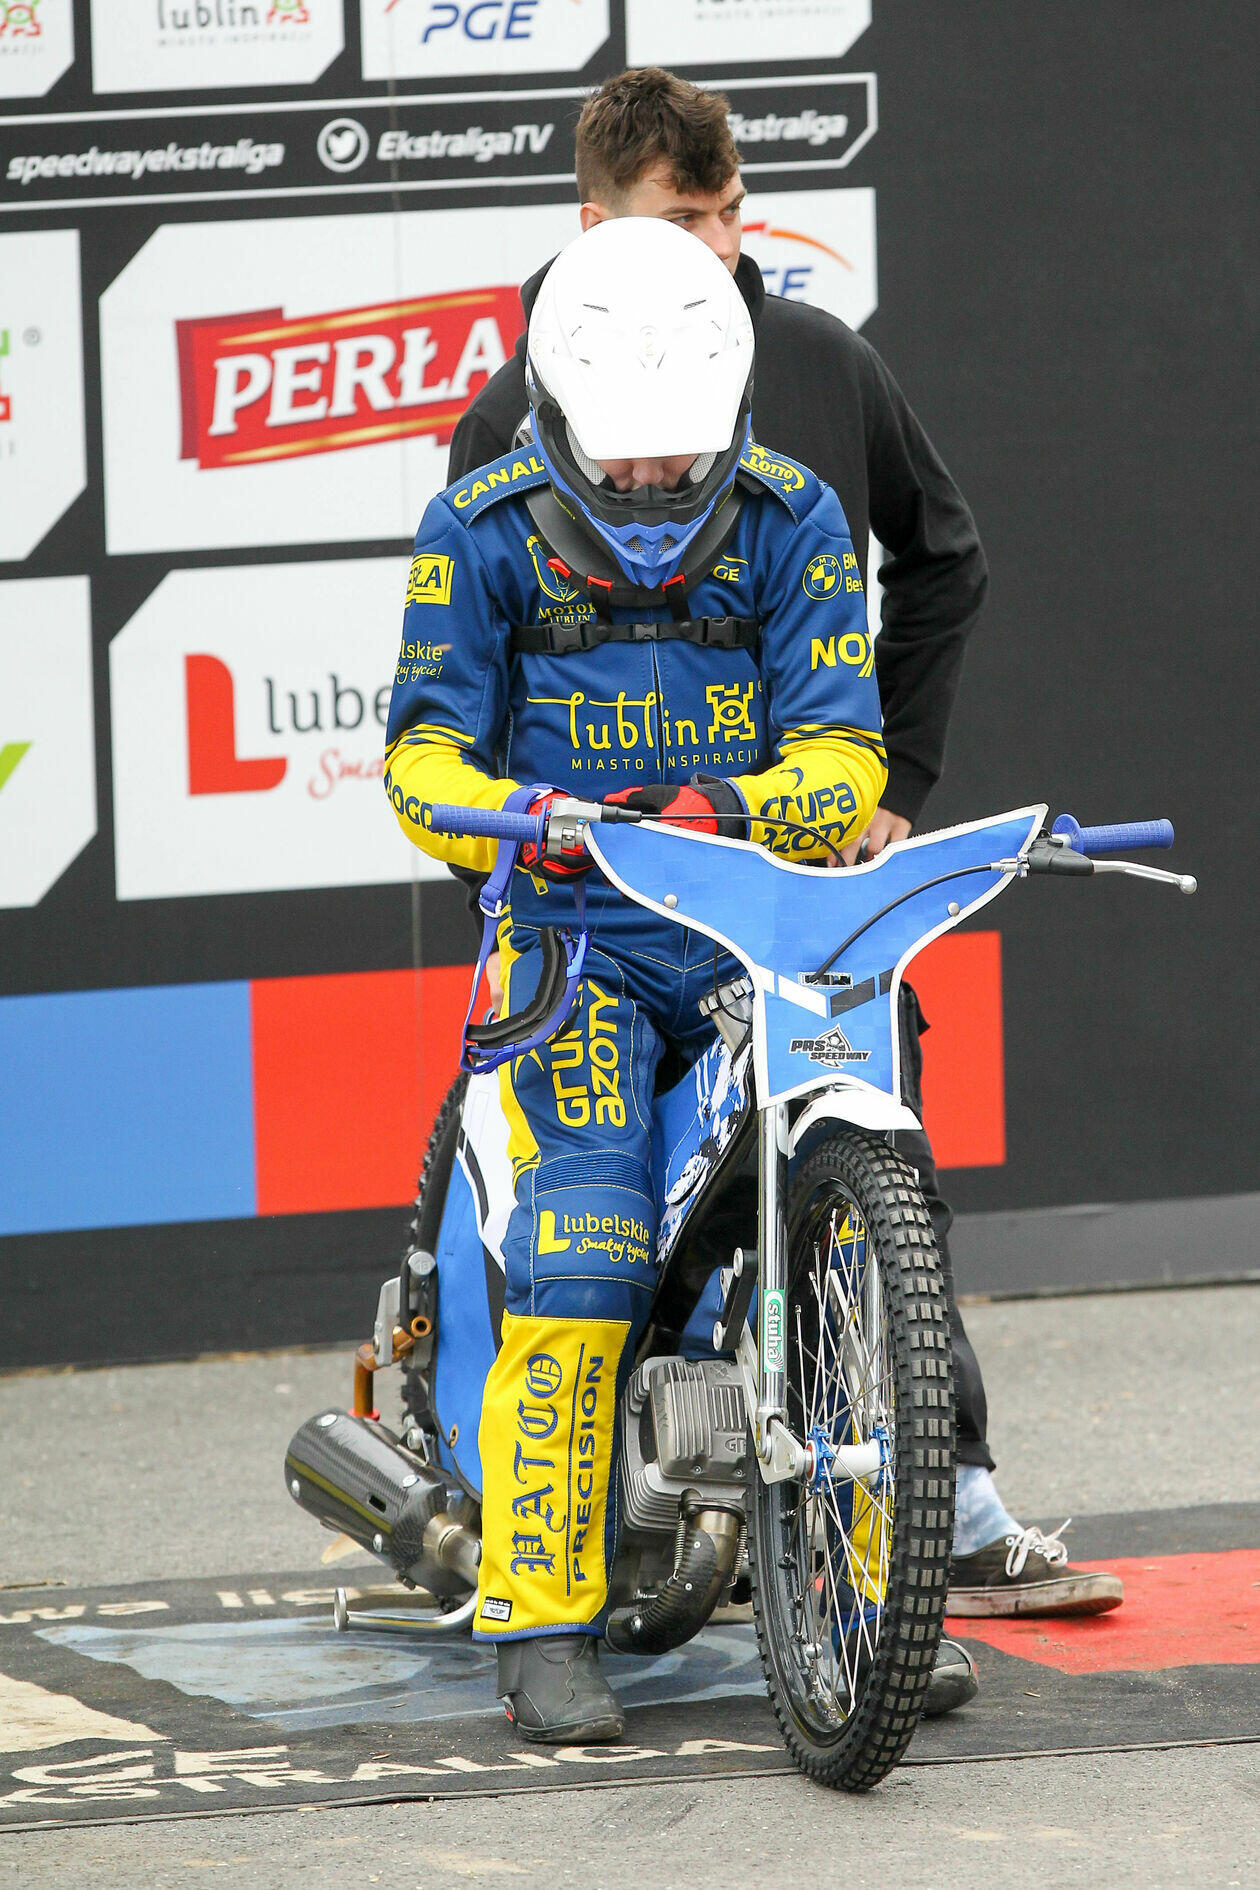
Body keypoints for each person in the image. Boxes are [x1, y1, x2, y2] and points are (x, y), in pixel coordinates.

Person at [446, 66, 1123, 1629]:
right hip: (594, 891)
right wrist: (512, 852)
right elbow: (477, 668)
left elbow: (944, 558)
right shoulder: (513, 405)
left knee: (873, 1145)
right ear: (592, 226)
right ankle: (559, 1498)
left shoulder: (820, 358)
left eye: (722, 214)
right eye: (670, 220)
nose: (708, 249)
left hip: (790, 874)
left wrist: (894, 779)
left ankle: (937, 1495)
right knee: (575, 1202)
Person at [386, 215, 895, 1740]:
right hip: (573, 939)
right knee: (589, 1246)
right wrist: (519, 814)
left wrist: (723, 809)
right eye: (627, 460)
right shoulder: (476, 529)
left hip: (753, 928)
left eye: (684, 455)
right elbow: (420, 762)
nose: (660, 482)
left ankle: (878, 1596)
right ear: (556, 405)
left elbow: (846, 753)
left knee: (863, 1219)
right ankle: (545, 1619)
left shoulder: (798, 514)